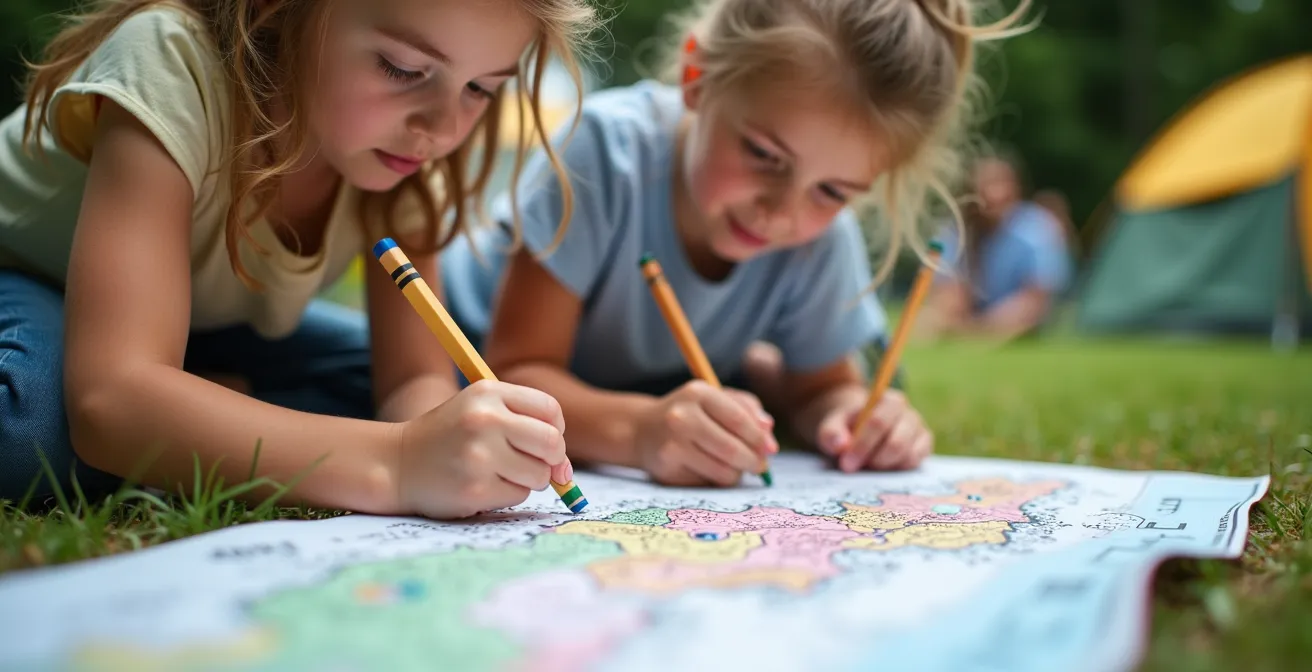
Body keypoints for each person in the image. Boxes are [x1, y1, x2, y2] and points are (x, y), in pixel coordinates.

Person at [0, 0, 603, 520]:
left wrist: (448, 445)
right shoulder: (172, 59)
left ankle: (185, 408)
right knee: (34, 433)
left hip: (196, 332)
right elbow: (109, 400)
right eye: (403, 68)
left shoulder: (406, 159)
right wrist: (397, 464)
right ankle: (173, 409)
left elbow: (414, 378)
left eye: (481, 88)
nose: (443, 129)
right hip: (25, 277)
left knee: (413, 390)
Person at [441, 0, 1033, 487]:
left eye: (832, 190)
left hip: (630, 382)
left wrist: (848, 417)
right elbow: (517, 372)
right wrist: (642, 431)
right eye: (764, 155)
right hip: (457, 351)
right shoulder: (604, 155)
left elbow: (821, 388)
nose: (782, 211)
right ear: (698, 78)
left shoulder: (820, 238)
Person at [920, 153, 1072, 342]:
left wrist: (983, 326)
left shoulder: (1039, 229)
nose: (993, 194)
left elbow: (1036, 297)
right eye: (985, 185)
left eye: (1000, 184)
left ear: (1017, 188)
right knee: (928, 322)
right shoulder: (957, 231)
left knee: (1020, 315)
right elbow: (946, 292)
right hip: (970, 317)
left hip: (1020, 319)